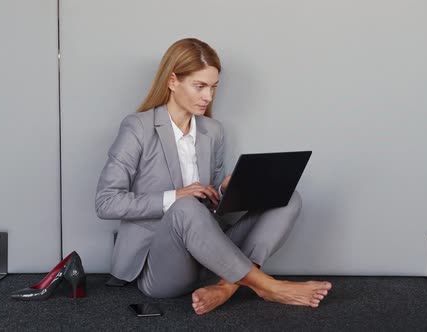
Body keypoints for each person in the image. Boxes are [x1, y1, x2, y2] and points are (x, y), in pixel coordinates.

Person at [95, 38, 332, 315]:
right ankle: (268, 287)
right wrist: (176, 196)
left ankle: (226, 287)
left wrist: (226, 191)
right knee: (184, 207)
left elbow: (210, 206)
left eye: (213, 88)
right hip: (161, 268)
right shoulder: (137, 127)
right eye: (200, 86)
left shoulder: (213, 131)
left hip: (212, 255)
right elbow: (106, 202)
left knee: (288, 197)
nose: (208, 97)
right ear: (173, 81)